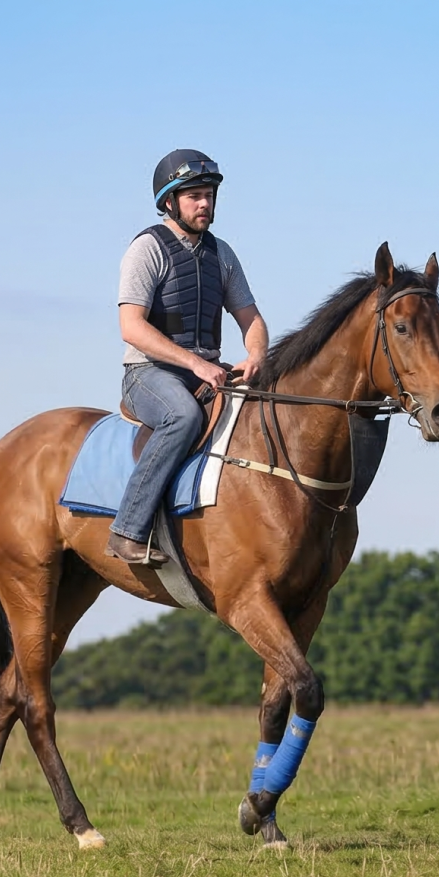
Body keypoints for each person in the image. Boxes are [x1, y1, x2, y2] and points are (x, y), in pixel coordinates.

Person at [106, 150, 268, 565]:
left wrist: (255, 356)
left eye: (209, 195)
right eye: (194, 195)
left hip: (206, 372)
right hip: (149, 373)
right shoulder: (147, 249)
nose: (205, 204)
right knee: (183, 416)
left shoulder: (222, 255)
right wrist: (195, 363)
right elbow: (132, 327)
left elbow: (250, 317)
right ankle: (127, 531)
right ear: (168, 202)